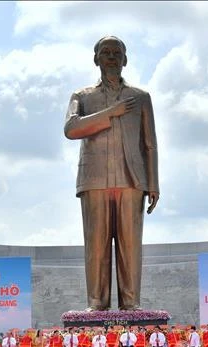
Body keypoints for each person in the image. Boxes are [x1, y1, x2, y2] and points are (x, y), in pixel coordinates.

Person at [64, 36, 160, 312]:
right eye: (104, 52)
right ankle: (97, 302)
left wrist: (153, 183)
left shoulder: (141, 97)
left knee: (130, 245)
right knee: (97, 244)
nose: (110, 56)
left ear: (125, 59)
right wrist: (111, 113)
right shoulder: (82, 96)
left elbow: (150, 143)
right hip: (94, 180)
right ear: (96, 59)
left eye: (116, 52)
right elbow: (71, 129)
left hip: (132, 180)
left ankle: (131, 303)